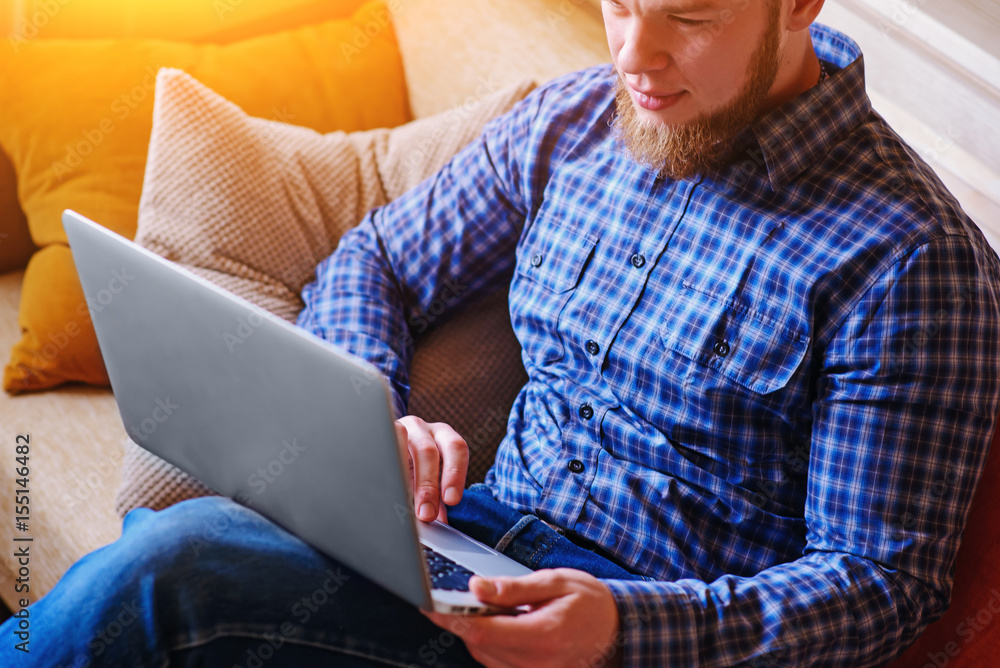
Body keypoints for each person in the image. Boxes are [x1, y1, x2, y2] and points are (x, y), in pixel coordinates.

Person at [5, 0, 999, 665]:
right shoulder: (575, 119)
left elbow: (881, 583)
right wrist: (377, 411)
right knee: (178, 546)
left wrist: (627, 626)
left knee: (168, 573)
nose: (634, 55)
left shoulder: (909, 256)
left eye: (689, 14)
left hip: (628, 626)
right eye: (618, 1)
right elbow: (376, 258)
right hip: (464, 546)